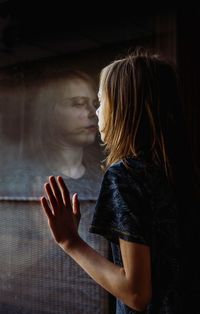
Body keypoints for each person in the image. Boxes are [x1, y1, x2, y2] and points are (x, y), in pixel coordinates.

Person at [40, 48, 196, 313]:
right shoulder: (180, 171)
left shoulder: (126, 174)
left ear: (123, 107)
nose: (96, 113)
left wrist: (70, 241)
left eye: (100, 101)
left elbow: (136, 293)